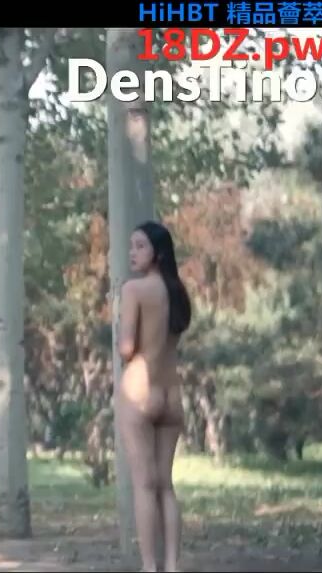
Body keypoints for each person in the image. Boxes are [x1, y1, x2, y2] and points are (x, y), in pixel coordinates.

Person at [115, 220, 193, 573]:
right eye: (132, 246)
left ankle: (149, 567)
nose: (132, 253)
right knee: (166, 486)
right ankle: (172, 565)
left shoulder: (134, 290)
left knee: (144, 486)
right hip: (171, 393)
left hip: (138, 390)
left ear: (158, 252)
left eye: (140, 246)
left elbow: (126, 347)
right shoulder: (177, 293)